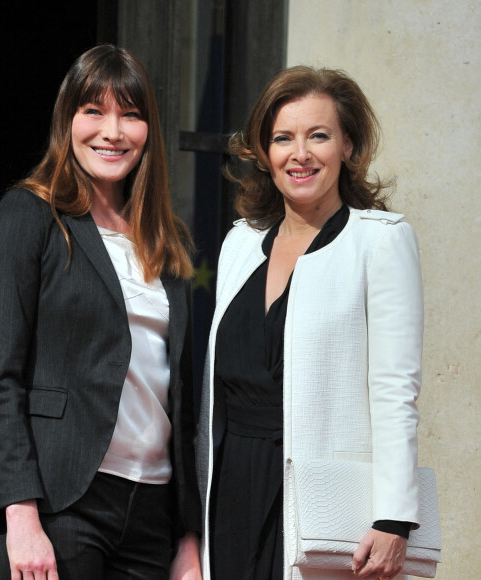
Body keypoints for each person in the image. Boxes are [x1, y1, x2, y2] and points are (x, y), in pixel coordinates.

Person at [0, 44, 201, 580]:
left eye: (131, 114)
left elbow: (181, 395)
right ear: (67, 120)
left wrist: (188, 535)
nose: (112, 131)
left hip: (151, 514)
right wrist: (19, 513)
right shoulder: (31, 215)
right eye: (93, 111)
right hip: (57, 503)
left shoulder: (168, 240)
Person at [196, 65, 423, 580]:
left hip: (325, 505)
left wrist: (394, 518)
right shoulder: (240, 243)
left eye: (318, 135)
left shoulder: (380, 242)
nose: (299, 154)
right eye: (282, 138)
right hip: (230, 494)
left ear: (347, 144)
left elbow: (395, 391)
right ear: (264, 151)